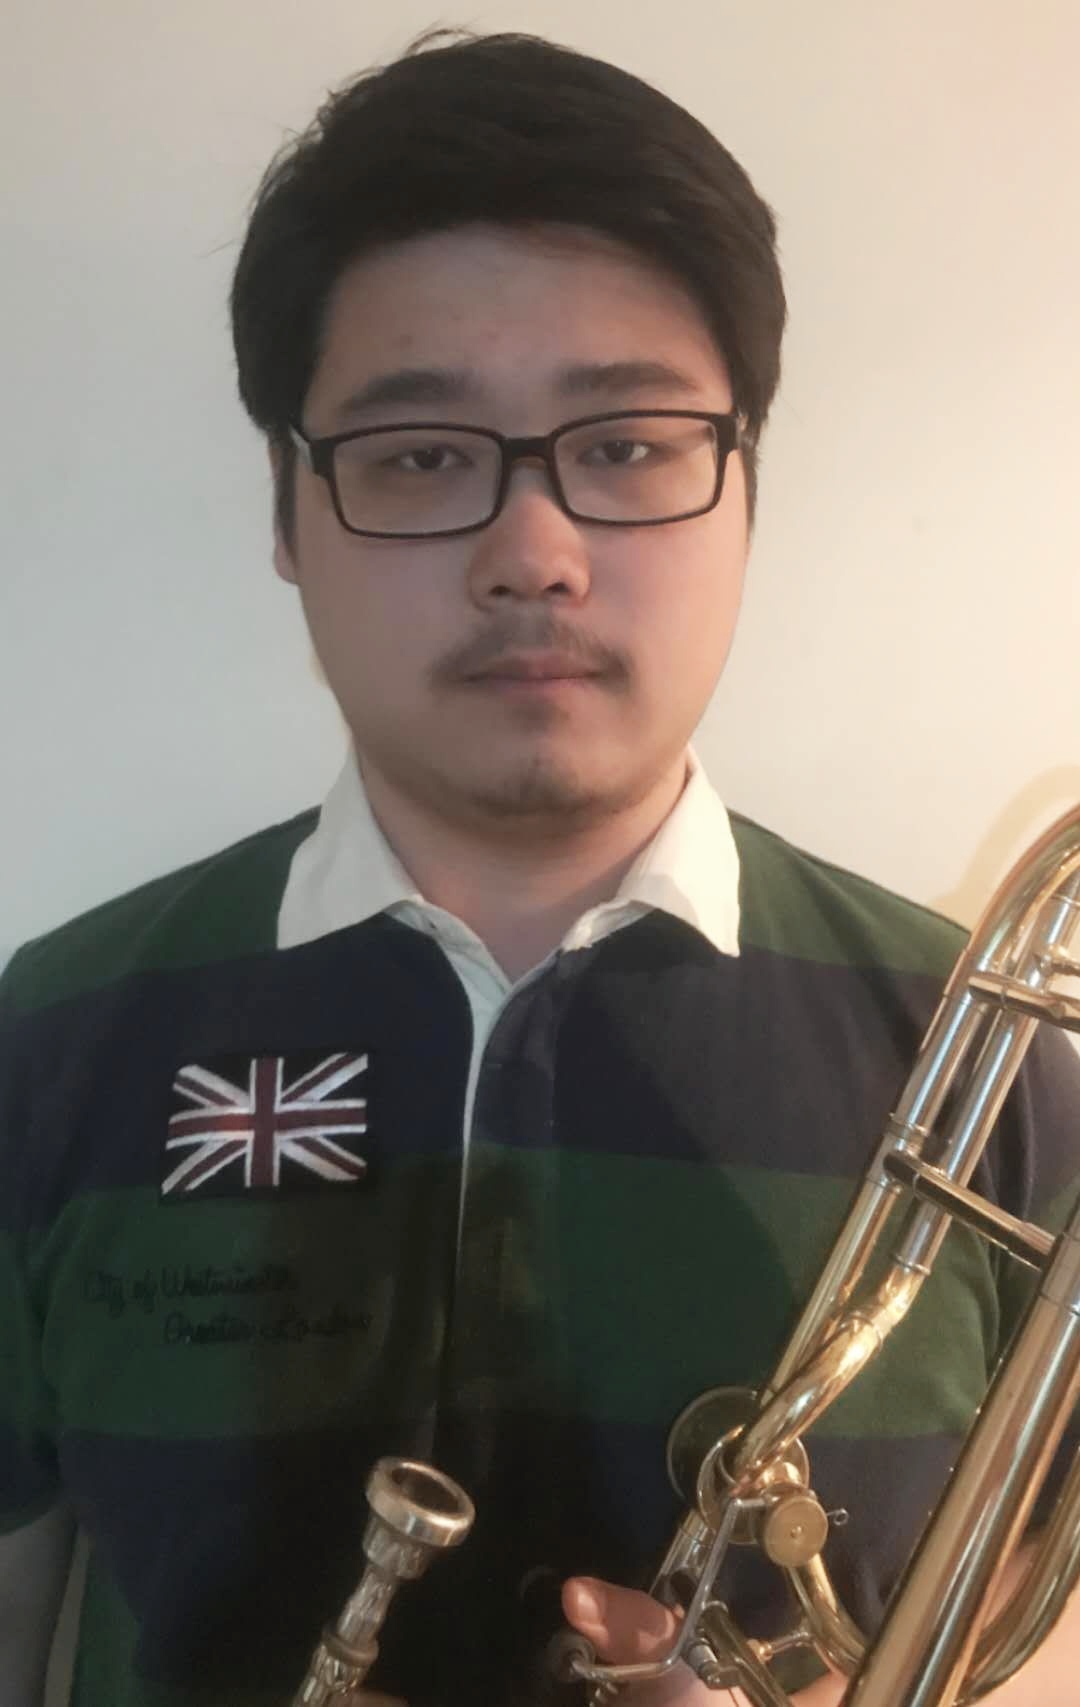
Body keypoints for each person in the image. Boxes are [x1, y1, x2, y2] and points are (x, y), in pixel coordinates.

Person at [1, 26, 1078, 1707]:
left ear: (745, 490)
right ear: (287, 512)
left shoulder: (999, 1072)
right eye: (422, 455)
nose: (534, 554)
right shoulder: (56, 1033)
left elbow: (1044, 1629)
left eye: (628, 445)